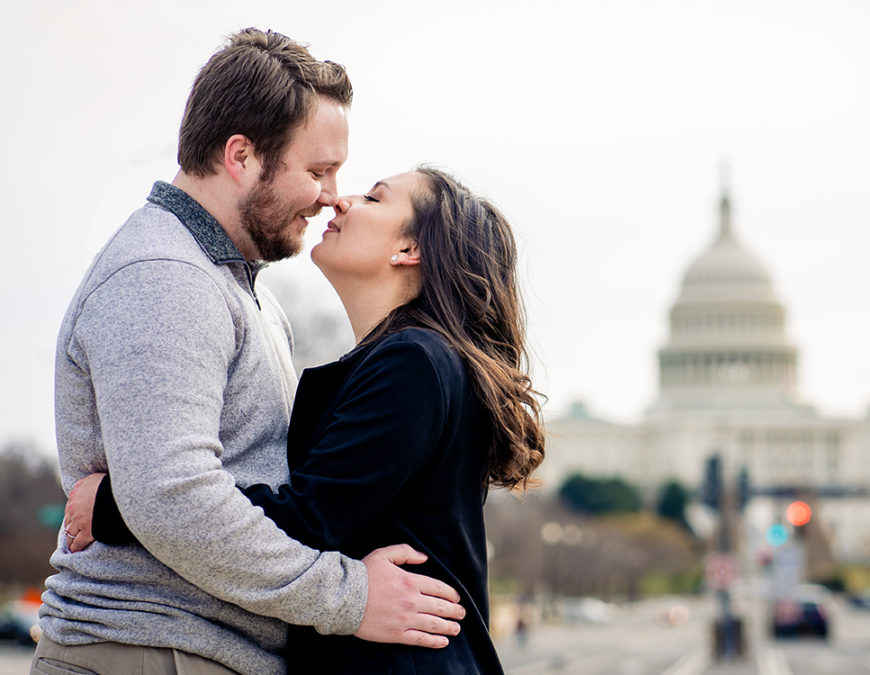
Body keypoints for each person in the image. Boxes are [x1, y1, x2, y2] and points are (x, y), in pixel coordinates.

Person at [35, 29, 463, 675]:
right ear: (241, 156)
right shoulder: (164, 276)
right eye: (317, 171)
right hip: (157, 649)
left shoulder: (239, 289)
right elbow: (175, 499)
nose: (331, 194)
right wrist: (349, 597)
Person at [66, 167, 546, 673]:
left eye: (374, 198)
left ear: (408, 249)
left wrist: (121, 506)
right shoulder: (414, 360)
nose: (341, 201)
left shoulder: (414, 362)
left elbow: (308, 522)